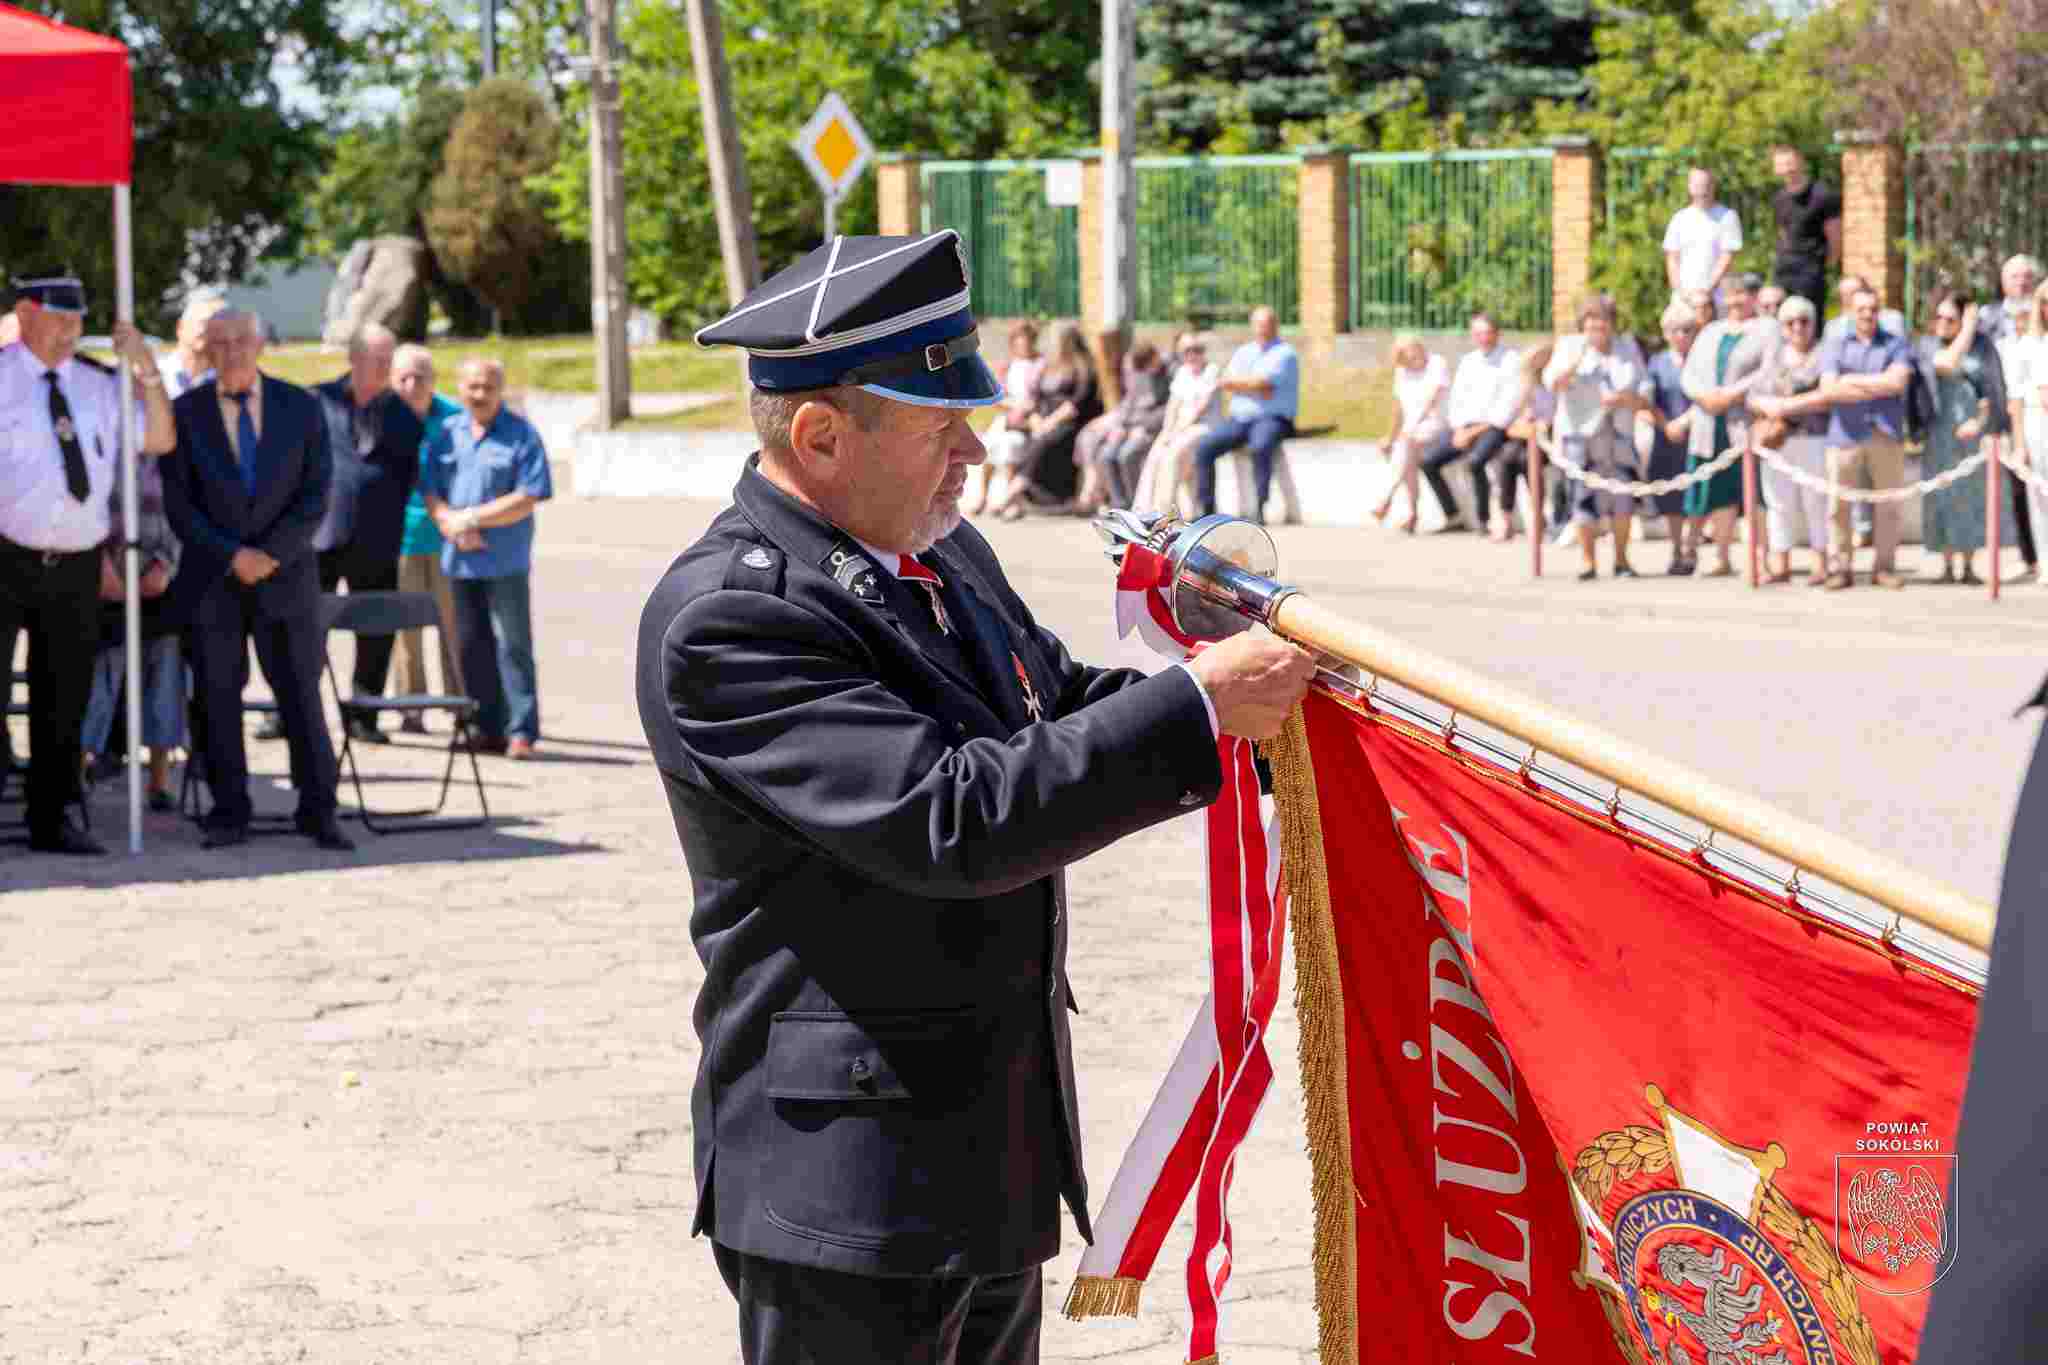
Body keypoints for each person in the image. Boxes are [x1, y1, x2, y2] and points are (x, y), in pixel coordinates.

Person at [638, 229, 1316, 1365]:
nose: (973, 450)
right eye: (937, 426)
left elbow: (1052, 703)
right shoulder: (734, 616)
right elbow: (952, 818)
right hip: (847, 1188)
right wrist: (1201, 707)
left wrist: (1278, 733)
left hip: (988, 1151)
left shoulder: (936, 547)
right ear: (820, 436)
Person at [159, 307, 352, 852]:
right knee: (217, 699)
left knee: (301, 696)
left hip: (286, 578)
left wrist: (269, 554)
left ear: (261, 343)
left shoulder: (302, 406)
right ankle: (228, 812)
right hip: (213, 581)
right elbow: (179, 505)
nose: (232, 351)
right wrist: (232, 556)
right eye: (220, 343)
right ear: (206, 351)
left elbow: (316, 494)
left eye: (241, 340)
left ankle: (319, 811)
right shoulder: (185, 412)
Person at [0, 272, 175, 855]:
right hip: (6, 555)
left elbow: (159, 439)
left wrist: (146, 368)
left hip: (77, 562)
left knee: (64, 697)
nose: (71, 331)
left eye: (78, 321)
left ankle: (51, 819)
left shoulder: (101, 384)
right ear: (26, 314)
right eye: (60, 318)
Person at [419, 357, 554, 760]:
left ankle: (521, 731)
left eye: (488, 387)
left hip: (504, 562)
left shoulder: (521, 434)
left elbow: (528, 495)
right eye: (472, 386)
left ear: (500, 389)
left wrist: (473, 518)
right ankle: (482, 727)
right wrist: (449, 523)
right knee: (469, 647)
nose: (480, 394)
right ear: (460, 388)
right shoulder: (446, 433)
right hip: (459, 560)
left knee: (513, 646)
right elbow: (430, 490)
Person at [308, 322, 424, 746]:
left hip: (377, 541)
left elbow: (409, 475)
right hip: (320, 536)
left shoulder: (404, 415)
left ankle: (364, 715)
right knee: (303, 628)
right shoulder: (317, 401)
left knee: (375, 631)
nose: (384, 367)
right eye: (377, 359)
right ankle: (293, 712)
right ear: (353, 358)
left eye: (388, 360)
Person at [77, 424, 183, 808]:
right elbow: (84, 509)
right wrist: (103, 569)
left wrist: (166, 565)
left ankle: (160, 779)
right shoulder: (97, 445)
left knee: (165, 671)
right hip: (105, 582)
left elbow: (182, 514)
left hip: (158, 582)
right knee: (100, 675)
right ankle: (78, 769)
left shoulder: (170, 454)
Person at [1816, 285, 1915, 590]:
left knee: (1888, 505)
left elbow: (1897, 383)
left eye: (1873, 309)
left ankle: (1884, 568)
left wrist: (1851, 380)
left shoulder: (1895, 343)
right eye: (1861, 309)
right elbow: (1828, 389)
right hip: (1844, 434)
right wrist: (1877, 383)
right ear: (1850, 311)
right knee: (1838, 506)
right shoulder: (1835, 344)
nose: (1867, 315)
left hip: (1885, 433)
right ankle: (1840, 568)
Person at [1544, 295, 1650, 580]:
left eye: (1603, 320)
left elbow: (1645, 386)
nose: (1598, 326)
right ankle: (1588, 561)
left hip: (1619, 432)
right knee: (1583, 498)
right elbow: (1552, 382)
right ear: (1583, 323)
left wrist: (1626, 398)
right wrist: (1576, 361)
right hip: (1581, 435)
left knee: (1623, 498)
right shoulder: (1569, 346)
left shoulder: (1626, 347)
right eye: (1592, 320)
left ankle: (1622, 560)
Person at [1915, 291, 2012, 584]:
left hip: (1972, 434)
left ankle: (1968, 566)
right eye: (1940, 317)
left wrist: (1983, 424)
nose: (1943, 323)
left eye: (1951, 319)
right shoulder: (1928, 344)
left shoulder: (1983, 347)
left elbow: (1993, 391)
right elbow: (1946, 364)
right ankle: (1946, 565)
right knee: (1942, 495)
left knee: (1970, 497)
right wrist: (1967, 329)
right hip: (1939, 432)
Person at [388, 343, 463, 723]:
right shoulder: (380, 414)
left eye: (419, 377)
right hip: (399, 539)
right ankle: (410, 707)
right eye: (403, 377)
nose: (411, 385)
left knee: (453, 627)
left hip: (448, 538)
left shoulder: (455, 418)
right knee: (406, 629)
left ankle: (458, 704)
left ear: (433, 380)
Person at [1680, 273, 1771, 577]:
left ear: (1752, 297)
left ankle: (1761, 560)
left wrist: (1731, 395)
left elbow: (1768, 371)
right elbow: (1689, 374)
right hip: (1709, 423)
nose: (1735, 300)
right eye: (1730, 294)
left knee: (1753, 494)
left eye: (1741, 293)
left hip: (1743, 422)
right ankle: (1721, 557)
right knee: (1718, 493)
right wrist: (1704, 397)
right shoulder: (1711, 331)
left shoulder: (1765, 329)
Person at [1749, 296, 1836, 584]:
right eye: (1790, 322)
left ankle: (1820, 565)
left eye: (1804, 321)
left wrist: (1785, 406)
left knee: (1816, 502)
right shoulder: (1772, 357)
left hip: (1815, 438)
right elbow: (1753, 395)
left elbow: (1828, 396)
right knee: (1778, 503)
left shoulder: (1824, 355)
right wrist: (1769, 406)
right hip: (1778, 440)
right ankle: (1780, 564)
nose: (1798, 327)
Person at [1191, 305, 1300, 525]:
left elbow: (1262, 383)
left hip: (1273, 418)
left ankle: (1259, 507)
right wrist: (1252, 385)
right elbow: (1226, 381)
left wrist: (1244, 384)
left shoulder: (1285, 353)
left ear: (1275, 326)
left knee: (1260, 446)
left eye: (1266, 324)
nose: (1262, 328)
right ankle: (1206, 510)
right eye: (1258, 324)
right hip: (1241, 419)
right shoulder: (1244, 352)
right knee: (1205, 447)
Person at [1420, 311, 1521, 533]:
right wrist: (1458, 429)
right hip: (1464, 427)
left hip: (1493, 428)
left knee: (1476, 461)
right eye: (1478, 334)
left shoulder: (1511, 360)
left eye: (1488, 333)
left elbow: (1506, 408)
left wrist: (1472, 432)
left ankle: (1483, 521)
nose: (1483, 338)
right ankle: (1453, 515)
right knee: (1427, 461)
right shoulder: (1468, 361)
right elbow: (1456, 399)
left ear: (1497, 333)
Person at [993, 323, 1099, 519]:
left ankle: (1013, 493)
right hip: (1044, 420)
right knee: (1027, 440)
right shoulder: (1051, 366)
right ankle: (1019, 497)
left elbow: (1077, 403)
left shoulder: (1084, 367)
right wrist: (1036, 417)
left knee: (1042, 441)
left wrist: (1050, 422)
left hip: (1069, 423)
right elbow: (1038, 397)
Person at [1981, 254, 2043, 578]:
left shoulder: (2043, 312)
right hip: (2005, 410)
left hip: (2037, 408)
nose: (2022, 282)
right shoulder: (1988, 317)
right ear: (2003, 282)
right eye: (2015, 276)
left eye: (2027, 276)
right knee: (2018, 487)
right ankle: (2028, 556)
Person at [1640, 298, 1701, 573]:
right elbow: (1647, 400)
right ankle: (1677, 548)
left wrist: (1684, 423)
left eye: (1687, 329)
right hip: (1665, 438)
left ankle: (1691, 548)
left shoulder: (1701, 361)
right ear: (1666, 333)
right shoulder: (1657, 363)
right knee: (1672, 497)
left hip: (1696, 436)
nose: (1681, 335)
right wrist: (1666, 425)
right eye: (1675, 330)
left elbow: (1705, 397)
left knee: (1696, 495)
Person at [1134, 330, 1222, 517]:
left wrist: (1178, 430)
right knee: (1155, 455)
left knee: (1171, 456)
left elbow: (1201, 407)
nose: (1192, 355)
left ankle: (1165, 512)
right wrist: (1167, 431)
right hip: (1180, 427)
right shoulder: (1183, 372)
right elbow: (1173, 406)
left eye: (1197, 350)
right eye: (1187, 351)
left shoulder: (1211, 371)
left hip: (1202, 426)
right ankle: (1144, 509)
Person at [1074, 341, 1171, 513]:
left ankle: (1137, 505)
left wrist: (1142, 426)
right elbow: (1130, 401)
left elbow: (1168, 408)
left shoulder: (1170, 371)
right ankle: (1120, 504)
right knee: (1107, 455)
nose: (1147, 372)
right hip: (1132, 425)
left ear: (1155, 357)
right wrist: (1121, 426)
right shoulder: (1139, 370)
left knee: (1127, 455)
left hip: (1151, 427)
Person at [1369, 333, 1449, 533]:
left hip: (1435, 421)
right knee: (1407, 458)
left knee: (1405, 446)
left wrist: (1411, 428)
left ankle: (1386, 499)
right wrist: (1391, 436)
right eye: (1405, 360)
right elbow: (1399, 408)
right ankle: (1412, 514)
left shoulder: (1437, 363)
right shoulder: (1402, 372)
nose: (1411, 363)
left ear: (1419, 349)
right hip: (1411, 430)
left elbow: (1433, 400)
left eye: (1412, 356)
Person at [963, 320, 1041, 517]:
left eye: (1027, 342)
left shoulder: (1041, 365)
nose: (1023, 346)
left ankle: (1011, 501)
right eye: (1019, 342)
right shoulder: (1008, 366)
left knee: (1010, 446)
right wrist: (1013, 405)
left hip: (1027, 422)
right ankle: (983, 497)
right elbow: (996, 398)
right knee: (989, 446)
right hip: (1006, 418)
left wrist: (1029, 409)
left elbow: (1043, 396)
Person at [2006, 280, 2048, 587]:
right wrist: (2019, 444)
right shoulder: (2029, 345)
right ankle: (2046, 560)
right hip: (2037, 423)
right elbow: (2016, 398)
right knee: (2040, 497)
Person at [1769, 145, 1840, 319]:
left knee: (1809, 319)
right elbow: (1783, 232)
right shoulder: (1779, 198)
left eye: (1790, 163)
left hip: (1810, 270)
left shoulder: (1822, 195)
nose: (1786, 169)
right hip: (1784, 270)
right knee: (1781, 318)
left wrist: (1824, 263)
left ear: (1800, 162)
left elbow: (1835, 236)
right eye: (1781, 165)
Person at [1663, 167, 1742, 305]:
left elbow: (1727, 257)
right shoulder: (1679, 218)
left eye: (1706, 184)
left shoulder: (1727, 217)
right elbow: (1672, 259)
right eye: (1697, 185)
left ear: (1713, 186)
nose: (1702, 189)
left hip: (1716, 300)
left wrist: (1706, 290)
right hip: (1683, 299)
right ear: (1689, 187)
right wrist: (1681, 292)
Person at [160, 291, 225, 397]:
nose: (208, 330)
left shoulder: (225, 382)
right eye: (203, 322)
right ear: (180, 327)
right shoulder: (155, 375)